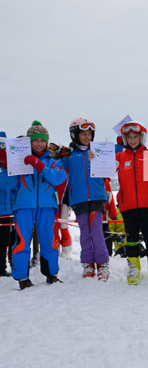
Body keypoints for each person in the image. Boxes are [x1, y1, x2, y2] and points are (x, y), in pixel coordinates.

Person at [10, 121, 67, 289]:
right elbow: (11, 184)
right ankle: (22, 278)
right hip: (23, 206)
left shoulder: (52, 160)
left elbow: (59, 178)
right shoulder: (19, 160)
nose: (40, 144)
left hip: (46, 205)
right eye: (36, 140)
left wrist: (39, 165)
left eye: (43, 140)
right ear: (29, 142)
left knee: (48, 240)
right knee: (22, 241)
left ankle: (51, 274)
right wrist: (7, 165)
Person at [116, 121, 148, 285]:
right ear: (124, 138)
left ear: (141, 137)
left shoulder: (147, 154)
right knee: (131, 238)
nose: (132, 140)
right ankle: (134, 267)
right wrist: (96, 157)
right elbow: (103, 168)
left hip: (146, 204)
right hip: (127, 205)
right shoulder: (120, 157)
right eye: (129, 137)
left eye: (135, 137)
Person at [62, 118, 111, 280]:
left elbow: (108, 170)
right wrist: (58, 153)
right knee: (85, 232)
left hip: (97, 197)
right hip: (79, 199)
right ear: (74, 135)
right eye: (83, 134)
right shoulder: (70, 156)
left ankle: (102, 264)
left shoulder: (97, 152)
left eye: (90, 134)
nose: (87, 137)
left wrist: (98, 158)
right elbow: (57, 167)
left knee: (96, 231)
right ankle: (88, 263)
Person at [0, 131, 16, 277]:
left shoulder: (10, 167)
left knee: (5, 241)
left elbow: (12, 185)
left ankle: (2, 268)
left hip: (7, 210)